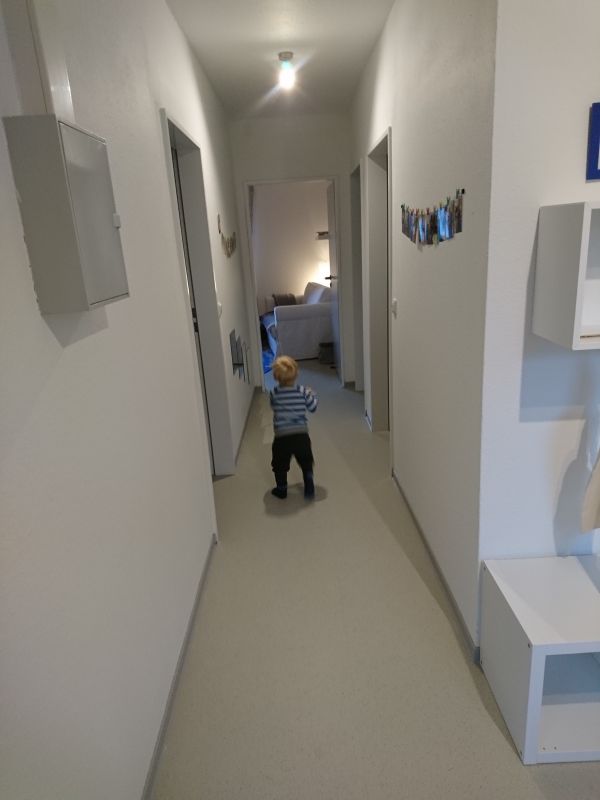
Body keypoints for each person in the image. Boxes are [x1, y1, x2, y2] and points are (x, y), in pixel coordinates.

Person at [269, 355, 318, 499]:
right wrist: (312, 395)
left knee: (279, 464)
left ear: (276, 377)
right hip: (301, 435)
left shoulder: (274, 393)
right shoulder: (303, 391)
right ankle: (309, 486)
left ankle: (281, 489)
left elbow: (273, 406)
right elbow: (313, 408)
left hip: (281, 437)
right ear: (296, 374)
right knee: (306, 461)